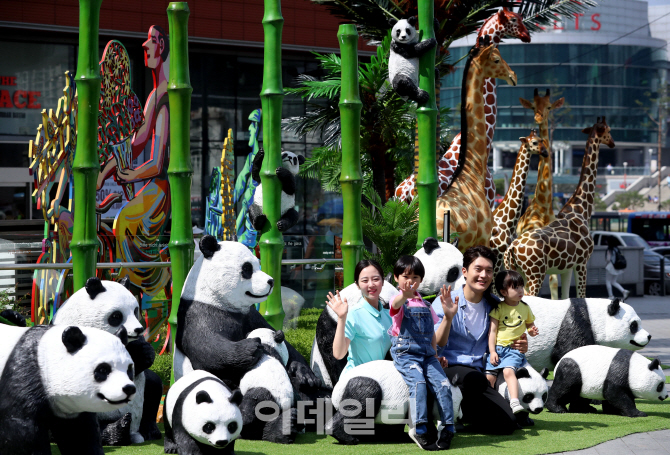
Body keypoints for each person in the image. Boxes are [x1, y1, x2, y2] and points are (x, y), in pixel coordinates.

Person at [431, 245, 527, 435]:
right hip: (449, 368)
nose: (484, 275)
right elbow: (437, 344)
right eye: (478, 269)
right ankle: (454, 411)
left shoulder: (494, 305)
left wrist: (521, 344)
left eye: (489, 271)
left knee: (508, 424)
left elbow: (506, 339)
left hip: (479, 375)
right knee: (474, 380)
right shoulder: (446, 301)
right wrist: (449, 318)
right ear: (465, 272)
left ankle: (464, 414)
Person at [389, 255, 456, 450]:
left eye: (416, 277)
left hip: (428, 355)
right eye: (405, 276)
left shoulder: (426, 305)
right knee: (418, 383)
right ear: (396, 277)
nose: (410, 281)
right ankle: (419, 428)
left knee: (444, 385)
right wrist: (405, 295)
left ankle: (447, 428)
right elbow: (395, 305)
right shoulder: (398, 300)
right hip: (406, 355)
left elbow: (431, 335)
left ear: (421, 280)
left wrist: (435, 354)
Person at [485, 270, 539, 414]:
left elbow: (530, 326)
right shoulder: (498, 308)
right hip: (498, 349)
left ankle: (515, 402)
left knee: (509, 372)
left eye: (521, 286)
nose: (520, 290)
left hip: (513, 350)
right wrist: (492, 351)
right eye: (515, 287)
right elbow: (493, 332)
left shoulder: (525, 307)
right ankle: (489, 404)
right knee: (489, 377)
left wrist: (532, 331)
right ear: (503, 291)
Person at [328, 259, 393, 378]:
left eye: (376, 279)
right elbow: (338, 354)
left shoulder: (389, 316)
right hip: (356, 380)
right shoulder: (354, 314)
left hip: (380, 379)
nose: (371, 284)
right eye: (365, 280)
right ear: (357, 285)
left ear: (383, 281)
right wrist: (342, 318)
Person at [605, 237, 630, 301]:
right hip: (617, 267)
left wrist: (606, 263)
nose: (606, 242)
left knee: (608, 281)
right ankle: (624, 291)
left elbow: (608, 259)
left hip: (610, 267)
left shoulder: (609, 249)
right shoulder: (617, 249)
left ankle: (611, 296)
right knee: (613, 281)